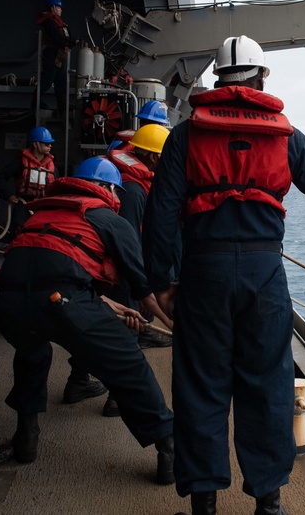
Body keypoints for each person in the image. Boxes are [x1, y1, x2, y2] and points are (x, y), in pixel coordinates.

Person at [148, 34, 305, 515]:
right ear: (262, 77)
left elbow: (160, 214)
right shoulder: (284, 135)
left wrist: (161, 283)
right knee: (266, 385)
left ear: (219, 77)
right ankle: (268, 502)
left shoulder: (185, 135)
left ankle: (204, 502)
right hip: (265, 275)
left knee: (201, 385)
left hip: (203, 272)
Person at [0, 157, 175, 480]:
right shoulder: (108, 219)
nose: (118, 200)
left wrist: (112, 308)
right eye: (116, 192)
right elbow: (143, 289)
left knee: (32, 351)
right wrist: (173, 327)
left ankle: (26, 438)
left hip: (9, 305)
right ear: (103, 188)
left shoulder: (40, 214)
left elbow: (51, 270)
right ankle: (170, 449)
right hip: (63, 304)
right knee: (128, 365)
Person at [99, 124, 174, 418]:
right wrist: (142, 286)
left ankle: (78, 381)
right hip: (123, 274)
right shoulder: (133, 191)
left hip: (121, 270)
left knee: (117, 328)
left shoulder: (130, 183)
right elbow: (127, 241)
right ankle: (116, 399)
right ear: (154, 158)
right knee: (127, 334)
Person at [0, 126, 57, 239]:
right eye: (46, 144)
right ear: (35, 144)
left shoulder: (51, 166)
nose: (50, 146)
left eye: (50, 144)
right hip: (24, 205)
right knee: (19, 234)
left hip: (43, 207)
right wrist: (8, 196)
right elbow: (0, 177)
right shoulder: (20, 162)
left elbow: (58, 185)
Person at [36, 0, 80, 114]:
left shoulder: (59, 22)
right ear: (53, 8)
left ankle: (63, 106)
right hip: (52, 53)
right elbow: (56, 37)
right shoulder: (49, 21)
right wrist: (66, 44)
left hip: (59, 54)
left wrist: (72, 42)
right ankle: (36, 101)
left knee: (61, 81)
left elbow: (64, 37)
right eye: (59, 7)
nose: (61, 10)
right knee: (47, 79)